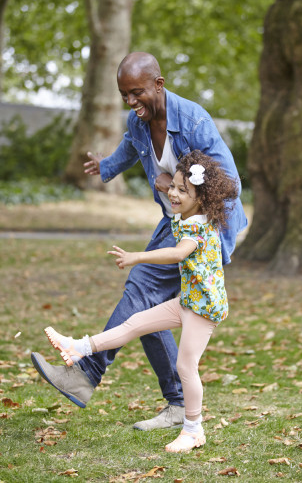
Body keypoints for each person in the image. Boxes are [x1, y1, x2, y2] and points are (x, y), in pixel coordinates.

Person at [31, 51, 247, 432]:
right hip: (174, 224)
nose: (131, 103)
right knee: (147, 308)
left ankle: (85, 373)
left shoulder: (194, 120)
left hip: (205, 230)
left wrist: (178, 187)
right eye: (124, 95)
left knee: (140, 293)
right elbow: (131, 147)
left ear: (158, 85)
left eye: (137, 93)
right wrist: (106, 167)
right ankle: (178, 403)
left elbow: (231, 184)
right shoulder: (139, 122)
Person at [40, 151, 238, 453]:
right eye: (173, 186)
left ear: (200, 198)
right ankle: (77, 348)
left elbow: (177, 254)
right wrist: (172, 187)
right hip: (188, 302)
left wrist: (137, 257)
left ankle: (193, 429)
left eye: (182, 190)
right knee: (136, 322)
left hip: (202, 309)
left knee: (186, 365)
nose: (173, 193)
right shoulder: (188, 214)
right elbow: (176, 199)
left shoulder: (197, 226)